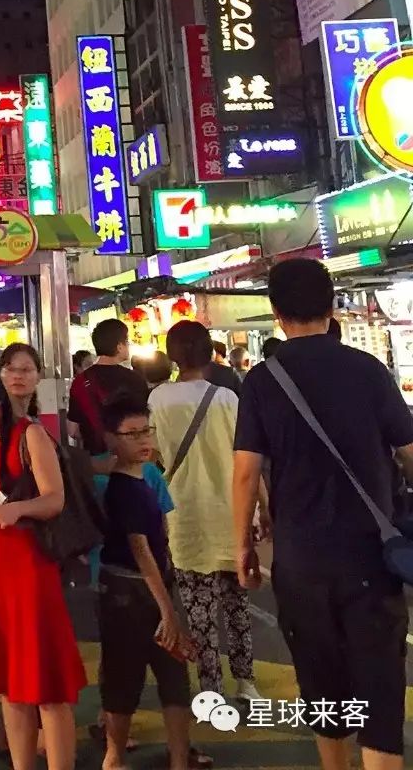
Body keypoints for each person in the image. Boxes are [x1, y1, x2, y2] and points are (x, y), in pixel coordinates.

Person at [234, 259, 413, 770]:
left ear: (275, 313)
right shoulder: (369, 371)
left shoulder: (263, 382)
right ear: (333, 307)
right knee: (379, 684)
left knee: (321, 682)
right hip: (371, 559)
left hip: (300, 562)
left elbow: (246, 474)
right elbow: (409, 455)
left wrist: (243, 548)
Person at [0, 361, 83, 770]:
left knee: (46, 685)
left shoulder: (31, 435)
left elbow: (55, 499)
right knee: (9, 683)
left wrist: (18, 509)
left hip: (29, 566)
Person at [150, 321, 260, 704]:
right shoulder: (228, 399)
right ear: (208, 354)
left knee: (199, 612)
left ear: (172, 356)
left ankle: (210, 688)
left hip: (184, 516)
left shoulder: (157, 400)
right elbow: (248, 459)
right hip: (230, 514)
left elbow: (152, 456)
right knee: (237, 606)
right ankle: (246, 682)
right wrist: (262, 509)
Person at [99, 395, 193, 770]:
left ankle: (177, 758)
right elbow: (141, 551)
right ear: (111, 439)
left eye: (146, 431)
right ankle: (114, 757)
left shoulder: (143, 478)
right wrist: (167, 611)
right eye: (131, 434)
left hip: (145, 586)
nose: (143, 440)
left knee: (171, 677)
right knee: (126, 678)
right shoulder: (123, 488)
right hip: (130, 591)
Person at [68, 320, 148, 455]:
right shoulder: (135, 379)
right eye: (126, 342)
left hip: (97, 463)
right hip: (130, 458)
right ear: (119, 346)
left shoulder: (80, 381)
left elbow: (73, 430)